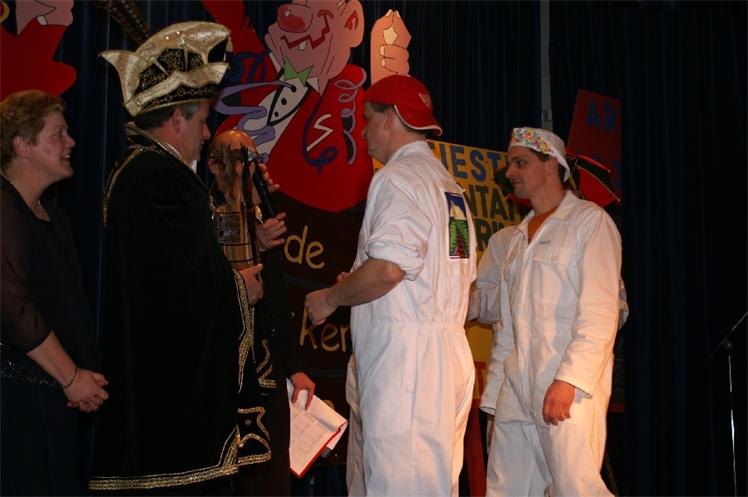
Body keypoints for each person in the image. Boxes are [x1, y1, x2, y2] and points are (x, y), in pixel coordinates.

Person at [90, 22, 270, 494]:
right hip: (170, 411)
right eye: (203, 119)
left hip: (148, 395)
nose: (207, 132)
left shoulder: (135, 173)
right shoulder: (163, 179)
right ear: (176, 119)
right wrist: (242, 287)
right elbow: (186, 283)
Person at [304, 74, 477, 497]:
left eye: (367, 118)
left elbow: (390, 269)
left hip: (408, 366)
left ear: (390, 118)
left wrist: (331, 298)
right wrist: (359, 282)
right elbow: (443, 271)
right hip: (445, 357)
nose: (362, 131)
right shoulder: (449, 188)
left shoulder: (398, 178)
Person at [484, 127, 623, 496]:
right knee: (506, 489)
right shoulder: (516, 239)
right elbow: (507, 328)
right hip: (516, 391)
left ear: (551, 165)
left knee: (574, 488)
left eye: (520, 163)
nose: (510, 172)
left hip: (565, 387)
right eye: (510, 164)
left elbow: (600, 312)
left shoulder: (589, 222)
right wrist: (496, 399)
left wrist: (569, 379)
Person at [0, 89, 109, 495]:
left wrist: (79, 378)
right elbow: (13, 307)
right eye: (58, 134)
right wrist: (72, 376)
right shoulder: (2, 207)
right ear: (22, 146)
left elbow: (68, 307)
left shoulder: (53, 215)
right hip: (15, 405)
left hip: (51, 397)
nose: (72, 142)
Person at [206, 129, 316, 496]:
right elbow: (218, 276)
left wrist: (294, 366)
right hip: (227, 369)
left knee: (271, 475)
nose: (249, 167)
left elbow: (277, 299)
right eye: (240, 159)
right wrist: (256, 241)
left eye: (253, 158)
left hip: (267, 367)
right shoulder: (207, 212)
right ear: (215, 165)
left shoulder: (260, 213)